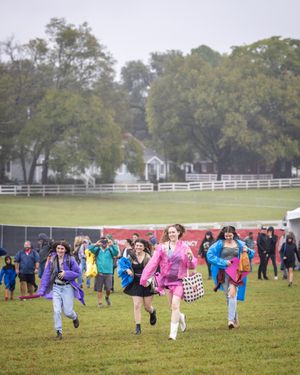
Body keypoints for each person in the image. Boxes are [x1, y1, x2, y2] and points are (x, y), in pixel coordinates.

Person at [140, 224, 197, 341]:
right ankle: (181, 317)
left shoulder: (185, 247)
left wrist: (191, 259)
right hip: (166, 281)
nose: (171, 234)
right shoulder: (162, 247)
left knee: (175, 305)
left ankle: (172, 334)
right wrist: (145, 278)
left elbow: (191, 265)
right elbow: (153, 263)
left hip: (180, 280)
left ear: (179, 233)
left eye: (173, 232)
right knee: (172, 307)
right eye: (169, 232)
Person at [207, 225, 255, 329]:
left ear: (234, 234)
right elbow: (209, 255)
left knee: (232, 294)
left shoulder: (240, 244)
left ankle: (230, 321)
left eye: (230, 236)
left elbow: (252, 254)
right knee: (228, 296)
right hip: (223, 273)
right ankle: (234, 317)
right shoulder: (219, 244)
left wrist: (248, 251)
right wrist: (224, 262)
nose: (228, 238)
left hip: (236, 272)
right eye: (226, 236)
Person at [38, 240, 84, 340]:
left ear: (66, 250)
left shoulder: (70, 259)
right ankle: (59, 332)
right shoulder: (52, 259)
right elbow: (46, 275)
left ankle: (74, 317)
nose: (60, 250)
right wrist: (42, 290)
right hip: (56, 287)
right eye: (58, 248)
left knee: (67, 312)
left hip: (67, 287)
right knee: (57, 311)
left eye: (62, 249)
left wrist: (66, 273)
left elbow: (78, 272)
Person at [119, 239, 157, 335]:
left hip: (147, 283)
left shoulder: (148, 257)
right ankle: (138, 327)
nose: (138, 247)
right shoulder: (131, 255)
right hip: (135, 283)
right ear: (134, 246)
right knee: (136, 305)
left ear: (144, 247)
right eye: (137, 245)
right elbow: (123, 263)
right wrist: (127, 269)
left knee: (147, 306)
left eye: (140, 246)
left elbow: (153, 271)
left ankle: (152, 312)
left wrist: (148, 280)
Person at [88, 236, 119, 307]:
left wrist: (112, 245)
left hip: (109, 272)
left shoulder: (110, 250)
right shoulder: (97, 249)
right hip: (99, 272)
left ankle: (107, 297)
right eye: (102, 242)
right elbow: (89, 248)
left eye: (105, 242)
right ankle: (100, 303)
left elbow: (116, 252)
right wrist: (95, 244)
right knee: (99, 288)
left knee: (108, 289)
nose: (104, 243)